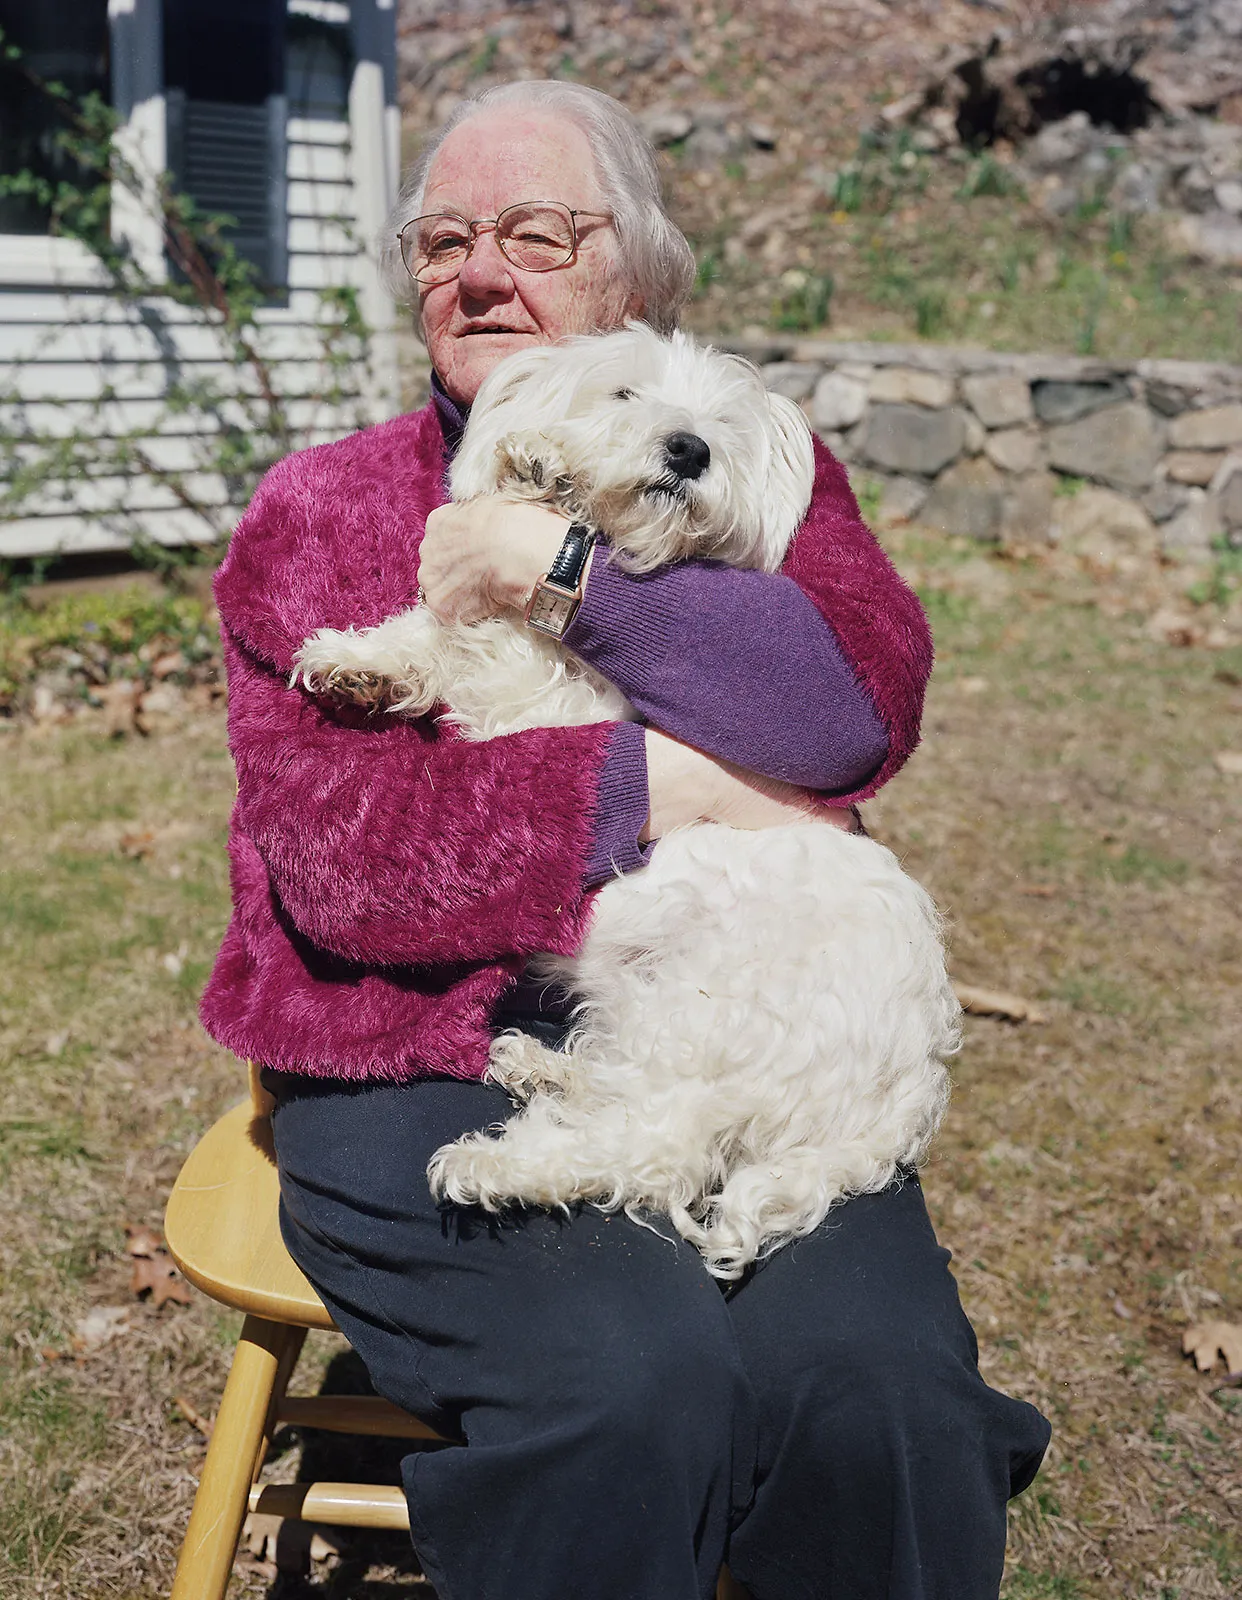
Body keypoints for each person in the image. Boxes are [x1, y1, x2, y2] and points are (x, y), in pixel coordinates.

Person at [201, 79, 1050, 1600]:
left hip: (736, 1031)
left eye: (536, 232)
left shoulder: (751, 458)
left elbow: (845, 714)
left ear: (640, 278)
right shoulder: (320, 509)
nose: (479, 273)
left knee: (884, 1403)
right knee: (626, 1392)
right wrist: (660, 784)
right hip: (411, 1048)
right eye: (443, 238)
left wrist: (564, 566)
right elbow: (350, 865)